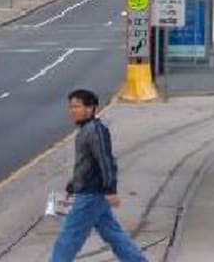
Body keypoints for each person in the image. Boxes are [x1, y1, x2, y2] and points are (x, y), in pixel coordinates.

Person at [50, 89, 147, 262]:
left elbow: (105, 160)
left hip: (91, 194)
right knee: (114, 235)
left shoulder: (95, 130)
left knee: (69, 238)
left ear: (90, 108)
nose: (72, 110)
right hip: (91, 192)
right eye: (71, 107)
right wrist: (72, 186)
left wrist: (111, 189)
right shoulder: (85, 130)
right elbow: (86, 164)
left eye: (76, 106)